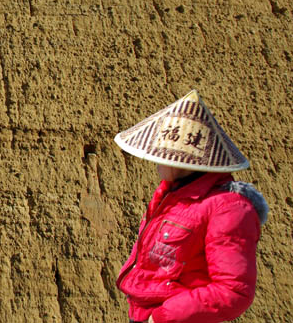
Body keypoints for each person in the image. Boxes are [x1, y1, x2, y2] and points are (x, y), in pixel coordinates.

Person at [114, 90, 268, 323]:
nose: (155, 162)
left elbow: (233, 291)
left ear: (180, 161)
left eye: (160, 155)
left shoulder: (228, 208)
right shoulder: (171, 196)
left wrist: (162, 317)